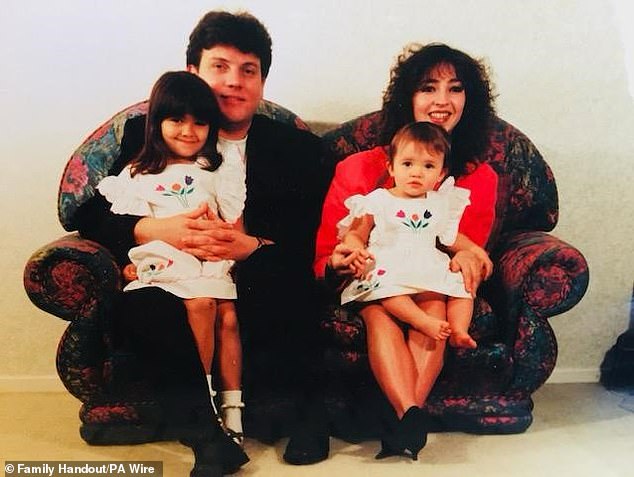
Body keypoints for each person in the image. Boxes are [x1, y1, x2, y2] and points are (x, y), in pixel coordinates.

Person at [76, 10, 328, 476]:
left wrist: (250, 245)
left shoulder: (295, 147)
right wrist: (150, 230)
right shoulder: (149, 133)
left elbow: (310, 234)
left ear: (262, 82)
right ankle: (206, 434)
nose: (233, 82)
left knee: (289, 281)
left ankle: (306, 416)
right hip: (174, 265)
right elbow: (88, 213)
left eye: (248, 70)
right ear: (193, 72)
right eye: (220, 66)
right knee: (145, 304)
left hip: (251, 267)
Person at [314, 43, 497, 460]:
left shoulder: (478, 179)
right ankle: (408, 414)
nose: (442, 101)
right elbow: (332, 248)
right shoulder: (361, 169)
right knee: (379, 314)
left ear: (470, 100)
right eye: (428, 88)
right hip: (378, 275)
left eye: (455, 89)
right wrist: (346, 254)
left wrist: (470, 255)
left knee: (433, 311)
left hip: (429, 275)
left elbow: (463, 242)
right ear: (407, 98)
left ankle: (400, 420)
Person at [97, 70, 247, 446]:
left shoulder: (216, 169)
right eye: (176, 120)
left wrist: (222, 238)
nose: (188, 131)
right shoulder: (138, 173)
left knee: (227, 318)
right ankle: (205, 404)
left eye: (199, 122)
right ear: (156, 123)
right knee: (201, 305)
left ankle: (234, 409)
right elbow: (121, 224)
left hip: (209, 257)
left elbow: (233, 225)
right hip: (166, 259)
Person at [338, 121, 477, 351]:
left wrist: (472, 252)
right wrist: (355, 249)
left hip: (426, 261)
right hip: (389, 260)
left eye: (428, 166)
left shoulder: (442, 203)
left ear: (440, 174)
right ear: (391, 167)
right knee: (387, 289)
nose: (416, 172)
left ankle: (459, 330)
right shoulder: (378, 200)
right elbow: (355, 234)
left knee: (462, 288)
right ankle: (420, 320)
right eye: (407, 163)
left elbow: (450, 238)